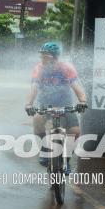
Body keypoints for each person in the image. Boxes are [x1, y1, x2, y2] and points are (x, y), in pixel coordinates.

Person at [24, 41, 88, 169]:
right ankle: (44, 150)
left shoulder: (66, 68)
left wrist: (82, 101)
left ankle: (66, 159)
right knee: (37, 119)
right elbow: (34, 88)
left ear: (54, 57)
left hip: (65, 103)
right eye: (41, 56)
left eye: (45, 56)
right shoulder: (39, 68)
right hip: (45, 103)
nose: (41, 58)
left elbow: (76, 86)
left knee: (75, 132)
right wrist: (29, 104)